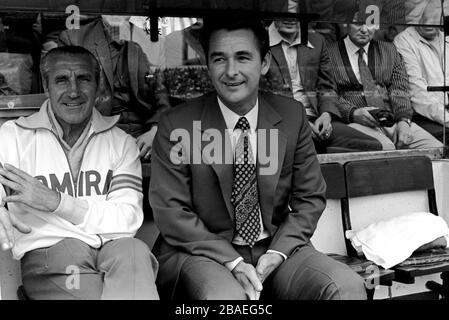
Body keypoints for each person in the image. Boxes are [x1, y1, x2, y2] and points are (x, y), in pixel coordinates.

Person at [149, 16, 367, 300]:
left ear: (263, 63)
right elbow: (171, 211)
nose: (231, 71)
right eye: (219, 59)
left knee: (346, 287)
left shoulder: (291, 116)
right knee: (225, 300)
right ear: (208, 65)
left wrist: (278, 252)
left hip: (276, 246)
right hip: (202, 252)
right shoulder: (177, 124)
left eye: (243, 58)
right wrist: (234, 262)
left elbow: (310, 197)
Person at [0, 46, 159, 300]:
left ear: (98, 86)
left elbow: (126, 220)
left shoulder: (120, 142)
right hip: (53, 252)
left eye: (83, 79)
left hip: (114, 250)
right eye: (62, 79)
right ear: (46, 85)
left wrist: (56, 202)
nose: (73, 91)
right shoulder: (14, 136)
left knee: (134, 251)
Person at [265, 9, 383, 153]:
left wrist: (326, 114)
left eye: (296, 11)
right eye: (284, 10)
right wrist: (299, 122)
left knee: (373, 147)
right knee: (303, 149)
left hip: (317, 117)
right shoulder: (260, 40)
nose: (291, 18)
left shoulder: (317, 40)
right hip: (280, 120)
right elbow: (261, 95)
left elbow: (326, 87)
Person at [57, 16, 171, 161]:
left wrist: (155, 131)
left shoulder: (151, 40)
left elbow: (162, 96)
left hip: (142, 137)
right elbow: (68, 99)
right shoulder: (74, 39)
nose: (115, 6)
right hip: (94, 135)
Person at [327, 14, 443, 150]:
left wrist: (403, 120)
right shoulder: (329, 53)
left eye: (370, 24)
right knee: (386, 149)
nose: (364, 30)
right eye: (358, 24)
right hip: (353, 122)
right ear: (346, 24)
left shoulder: (389, 50)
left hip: (391, 120)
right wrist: (353, 113)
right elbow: (327, 93)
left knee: (437, 150)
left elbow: (400, 89)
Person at [394, 0, 449, 143]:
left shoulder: (446, 40)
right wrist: (447, 119)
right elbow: (417, 93)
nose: (429, 23)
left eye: (434, 18)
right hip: (424, 116)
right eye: (423, 18)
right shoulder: (403, 41)